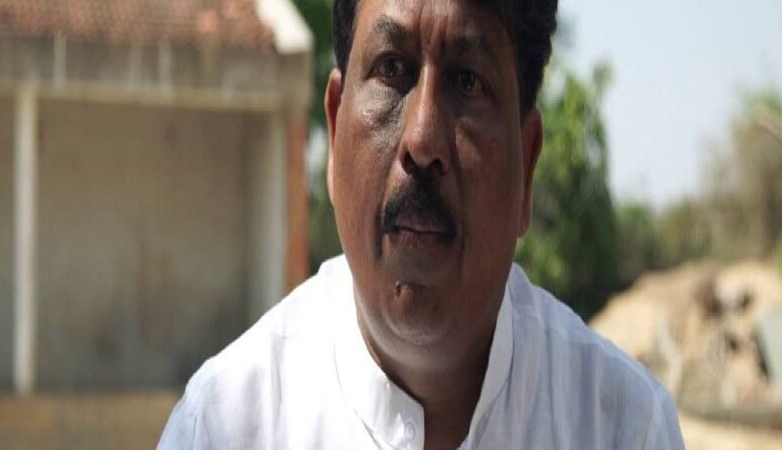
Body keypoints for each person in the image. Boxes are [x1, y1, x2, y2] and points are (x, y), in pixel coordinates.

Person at [158, 0, 685, 447]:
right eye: (391, 69)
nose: (422, 138)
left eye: (468, 82)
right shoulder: (224, 426)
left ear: (526, 166)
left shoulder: (623, 428)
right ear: (336, 130)